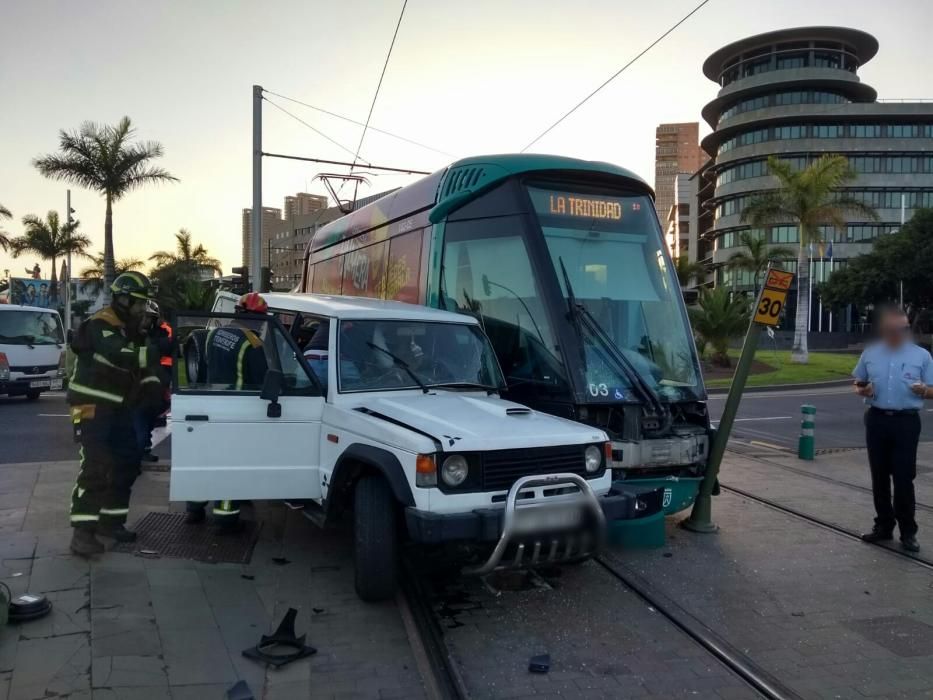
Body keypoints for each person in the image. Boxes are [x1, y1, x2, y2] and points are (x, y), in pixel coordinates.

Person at [67, 272, 161, 556]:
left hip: (117, 407)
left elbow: (141, 371)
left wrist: (154, 390)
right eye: (140, 304)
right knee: (96, 465)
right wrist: (153, 350)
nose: (143, 310)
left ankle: (110, 522)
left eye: (146, 305)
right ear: (124, 299)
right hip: (89, 405)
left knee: (128, 460)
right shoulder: (102, 324)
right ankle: (82, 534)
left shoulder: (131, 330)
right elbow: (120, 354)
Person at [186, 292, 269, 529]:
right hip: (237, 409)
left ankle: (194, 507)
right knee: (231, 461)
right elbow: (261, 379)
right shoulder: (252, 343)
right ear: (255, 319)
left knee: (206, 459)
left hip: (210, 405)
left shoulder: (213, 334)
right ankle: (225, 517)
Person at [853, 305, 933, 553]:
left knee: (903, 477)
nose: (899, 332)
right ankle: (884, 526)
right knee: (879, 475)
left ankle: (908, 532)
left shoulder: (922, 356)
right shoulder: (870, 353)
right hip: (877, 419)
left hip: (906, 422)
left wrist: (925, 391)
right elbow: (858, 383)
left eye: (904, 328)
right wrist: (862, 390)